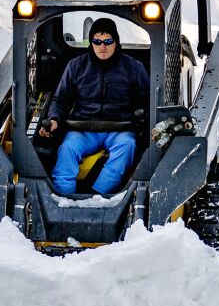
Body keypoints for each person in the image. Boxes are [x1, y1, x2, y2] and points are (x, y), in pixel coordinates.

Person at [39, 17, 149, 196]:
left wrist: (143, 119)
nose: (102, 47)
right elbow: (61, 99)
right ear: (91, 42)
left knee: (128, 146)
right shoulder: (76, 66)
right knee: (68, 149)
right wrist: (53, 119)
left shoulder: (134, 67)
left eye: (108, 42)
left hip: (119, 130)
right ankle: (63, 198)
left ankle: (98, 196)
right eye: (97, 42)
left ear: (116, 41)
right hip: (84, 129)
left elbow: (147, 99)